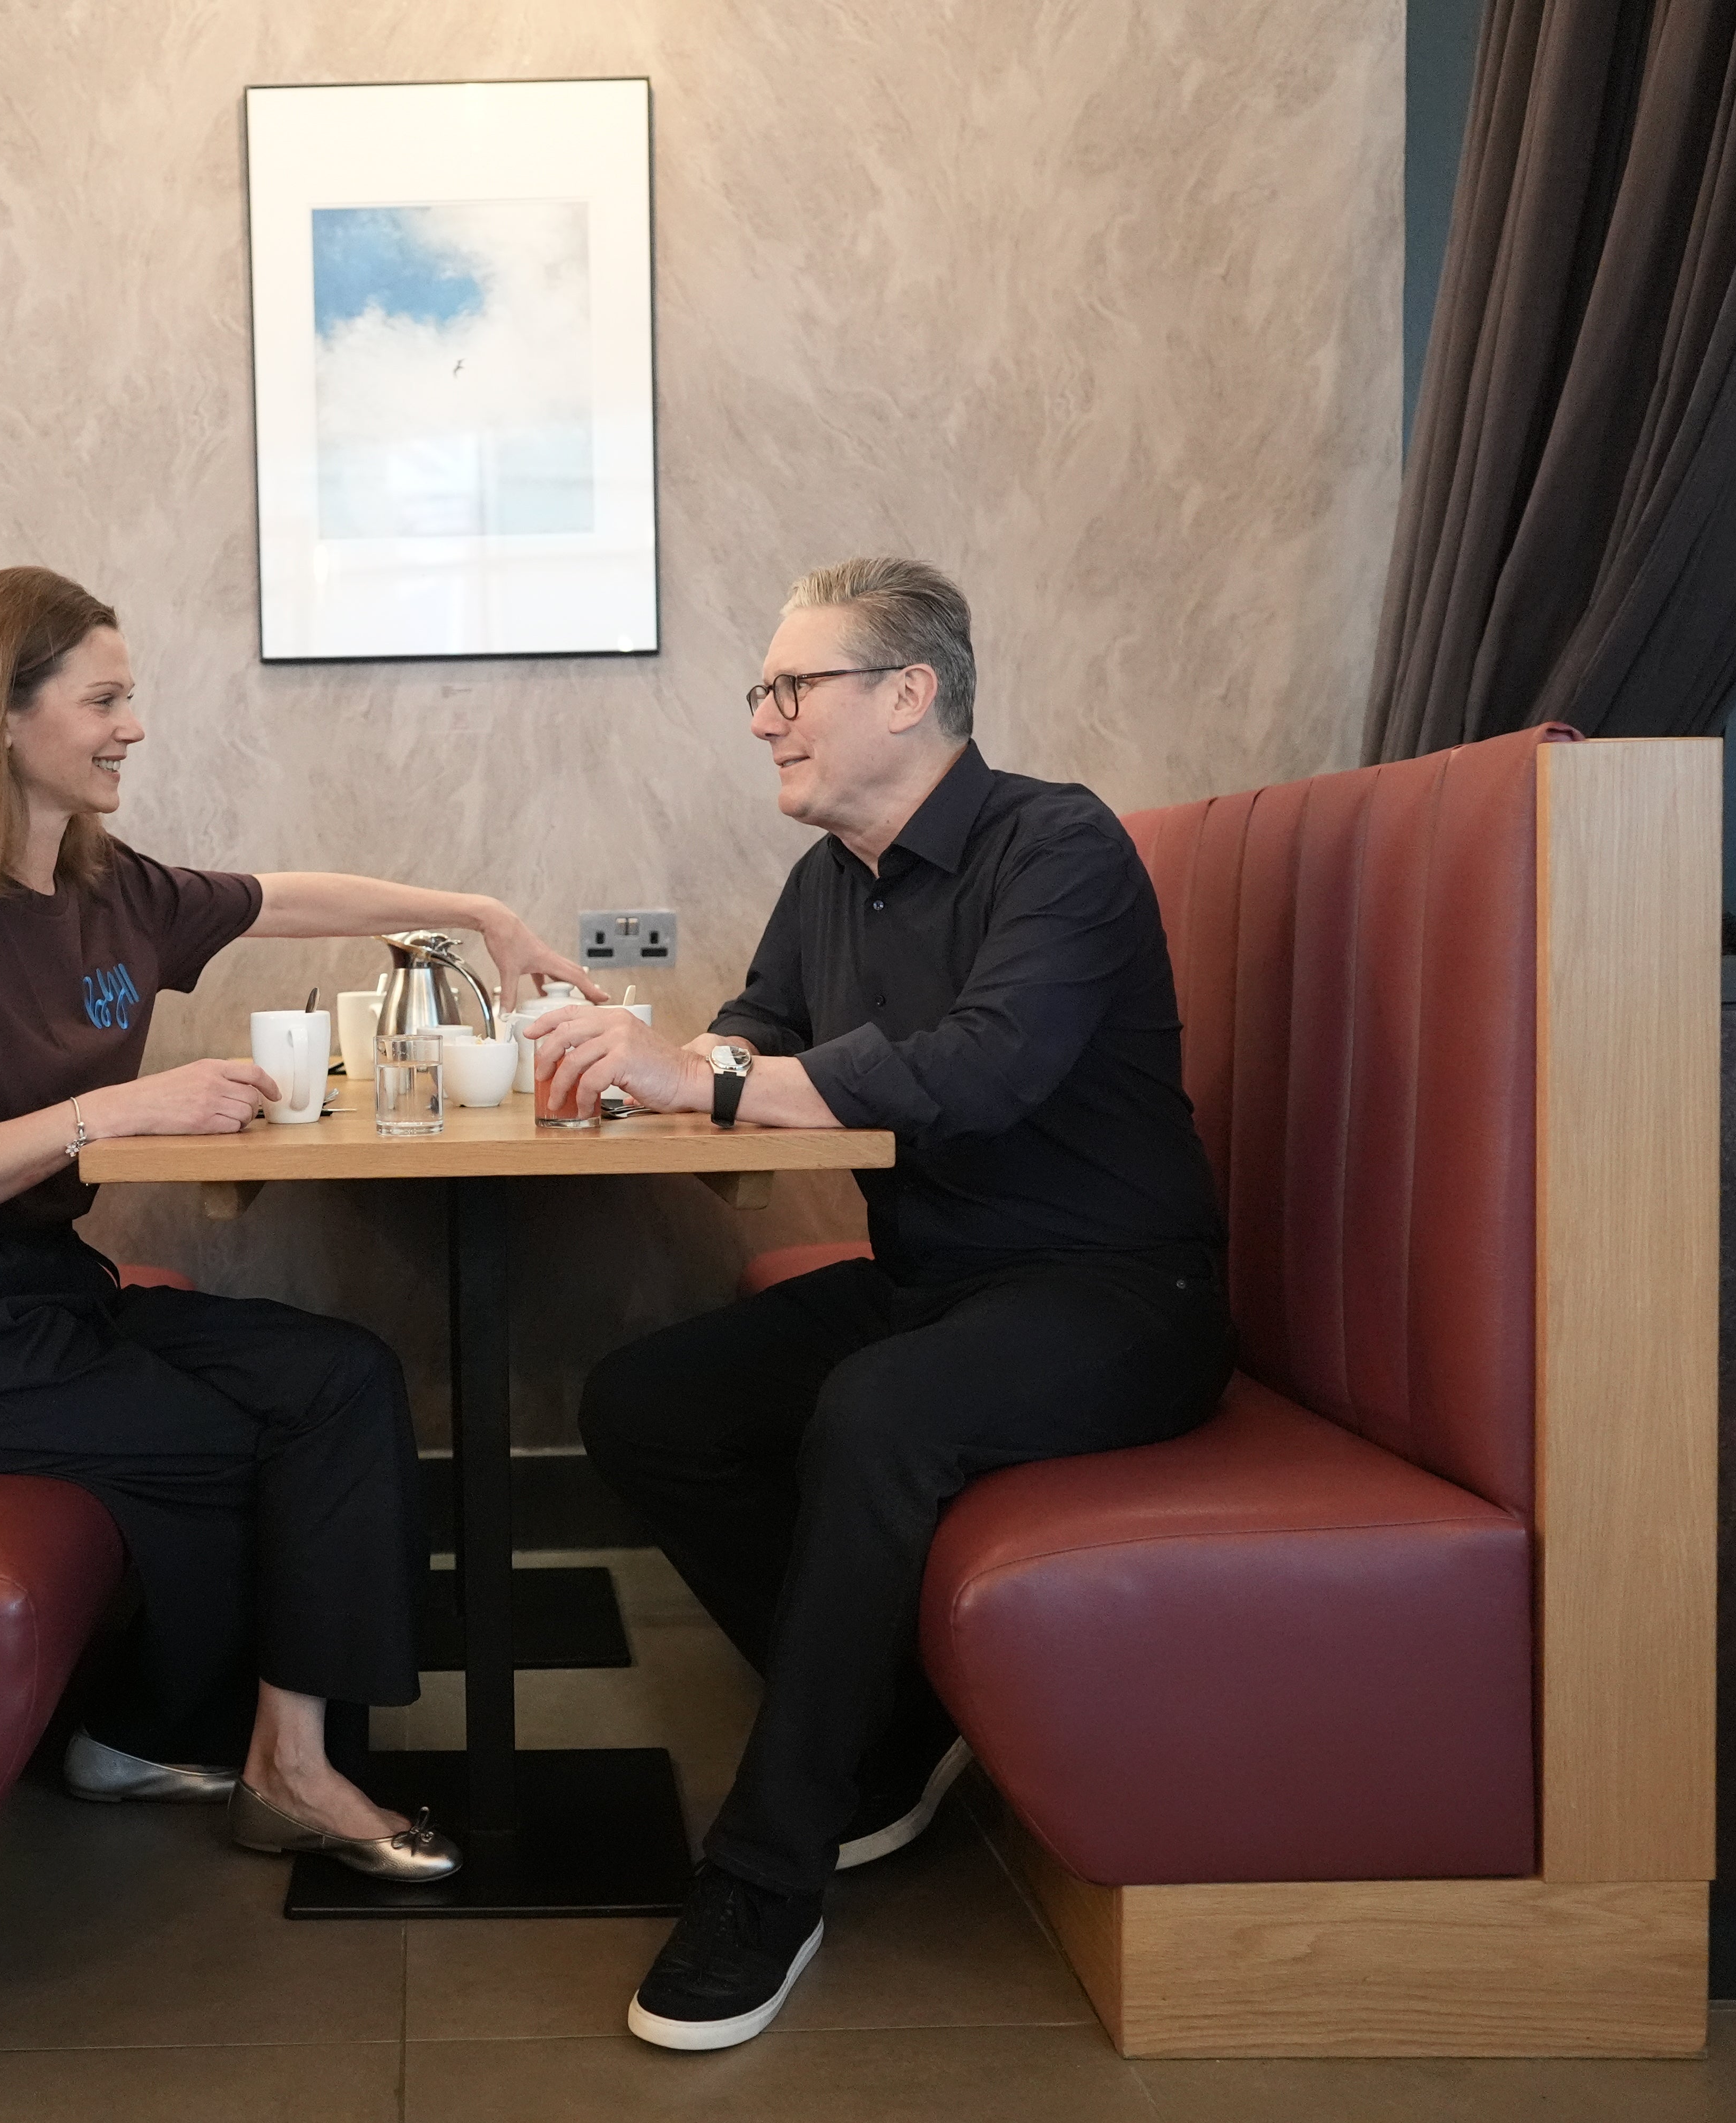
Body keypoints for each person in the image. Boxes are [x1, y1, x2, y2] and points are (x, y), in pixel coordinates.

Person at [527, 557, 1232, 2047]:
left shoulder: (1058, 844)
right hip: (938, 1284)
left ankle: (767, 1876)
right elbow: (759, 1030)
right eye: (766, 693)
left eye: (795, 688)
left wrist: (705, 1079)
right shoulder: (826, 881)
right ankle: (896, 1724)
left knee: (875, 1410)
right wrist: (644, 1045)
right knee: (642, 1402)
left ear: (909, 694)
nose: (768, 719)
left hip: (1118, 1294)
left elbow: (988, 1065)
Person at [0, 565, 596, 1884]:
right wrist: (112, 1110)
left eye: (132, 697)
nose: (133, 725)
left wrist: (474, 911)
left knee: (339, 1376)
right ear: (0, 715)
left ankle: (178, 1738)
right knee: (246, 1441)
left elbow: (284, 896)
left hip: (52, 1289)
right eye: (104, 698)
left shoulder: (102, 881)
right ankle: (264, 1757)